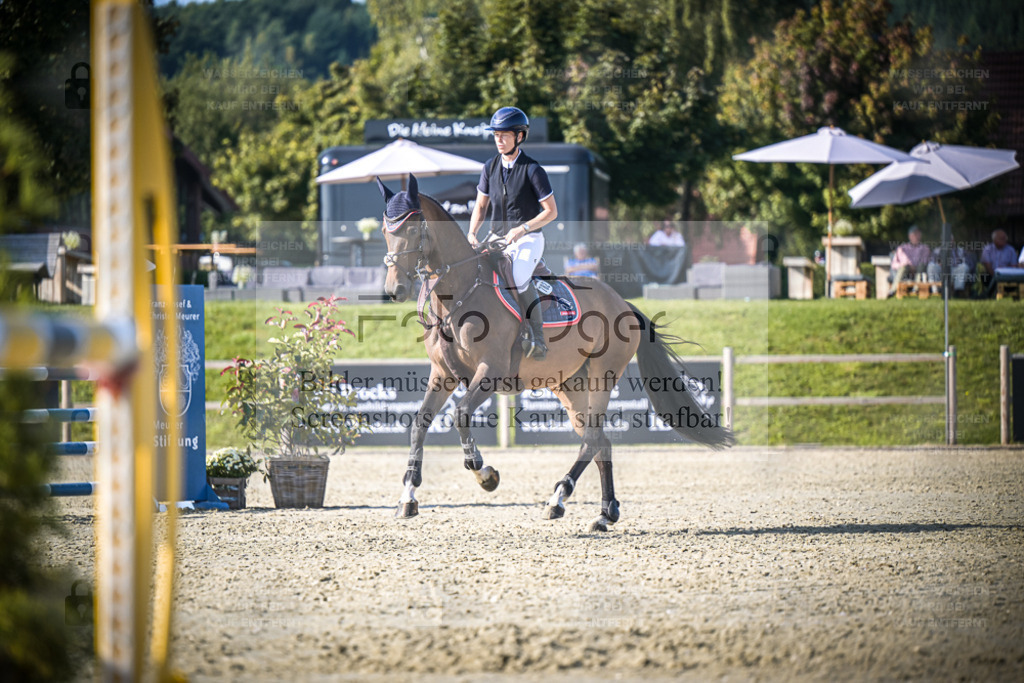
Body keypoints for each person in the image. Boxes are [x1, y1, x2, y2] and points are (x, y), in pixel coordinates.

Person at [468, 106, 557, 360]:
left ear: (519, 136)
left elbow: (551, 212)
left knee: (518, 277)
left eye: (504, 135)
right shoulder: (489, 167)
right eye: (496, 135)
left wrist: (523, 228)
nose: (498, 140)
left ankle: (537, 338)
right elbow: (481, 207)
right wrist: (472, 233)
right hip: (496, 239)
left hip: (528, 238)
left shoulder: (533, 170)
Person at [890, 225, 931, 290]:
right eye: (914, 234)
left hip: (918, 270)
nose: (917, 237)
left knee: (921, 266)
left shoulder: (925, 248)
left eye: (918, 234)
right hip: (904, 272)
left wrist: (913, 267)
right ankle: (893, 290)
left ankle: (915, 289)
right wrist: (904, 265)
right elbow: (894, 264)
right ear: (909, 236)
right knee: (903, 268)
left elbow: (925, 261)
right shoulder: (902, 248)